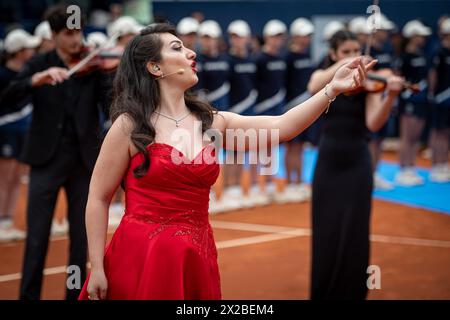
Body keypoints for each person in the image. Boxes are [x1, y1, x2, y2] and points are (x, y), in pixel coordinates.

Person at [78, 23, 375, 300]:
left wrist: (331, 90)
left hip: (196, 254)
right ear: (154, 67)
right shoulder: (129, 125)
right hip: (142, 255)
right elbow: (99, 197)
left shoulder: (212, 122)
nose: (191, 52)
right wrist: (97, 266)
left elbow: (283, 126)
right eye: (177, 48)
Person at [1, 5, 110, 300]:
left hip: (82, 163)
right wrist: (35, 80)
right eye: (69, 34)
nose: (76, 40)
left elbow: (110, 103)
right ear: (54, 35)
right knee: (36, 239)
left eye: (79, 32)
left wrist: (107, 71)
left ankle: (72, 296)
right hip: (45, 161)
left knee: (79, 241)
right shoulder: (39, 63)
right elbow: (8, 94)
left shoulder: (93, 65)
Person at [307, 30, 404, 300]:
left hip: (358, 164)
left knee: (355, 231)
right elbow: (313, 85)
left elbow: (373, 123)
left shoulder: (369, 82)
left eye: (355, 51)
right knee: (325, 230)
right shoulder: (326, 77)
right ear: (334, 54)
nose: (352, 57)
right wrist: (346, 66)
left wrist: (391, 97)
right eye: (345, 52)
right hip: (328, 163)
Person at [0, 29, 39, 242]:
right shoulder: (3, 75)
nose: (31, 51)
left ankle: (8, 222)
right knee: (4, 178)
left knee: (16, 178)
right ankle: (1, 220)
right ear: (18, 52)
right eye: (27, 48)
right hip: (5, 131)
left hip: (21, 132)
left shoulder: (26, 73)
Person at [393, 20, 432, 186]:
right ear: (412, 37)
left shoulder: (421, 55)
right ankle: (403, 169)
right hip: (408, 100)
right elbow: (398, 78)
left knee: (416, 136)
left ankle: (411, 167)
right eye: (420, 35)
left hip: (421, 100)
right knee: (407, 136)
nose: (423, 38)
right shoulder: (403, 58)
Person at [282, 17, 316, 203]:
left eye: (309, 36)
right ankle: (288, 183)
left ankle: (299, 181)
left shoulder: (307, 57)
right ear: (295, 36)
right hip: (290, 109)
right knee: (292, 146)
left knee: (301, 147)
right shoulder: (287, 58)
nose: (306, 39)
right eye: (303, 35)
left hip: (305, 108)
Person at [428, 17, 450, 182]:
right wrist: (432, 94)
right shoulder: (438, 52)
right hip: (440, 99)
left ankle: (443, 163)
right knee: (438, 133)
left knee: (446, 132)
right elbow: (433, 76)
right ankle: (436, 165)